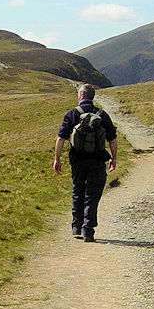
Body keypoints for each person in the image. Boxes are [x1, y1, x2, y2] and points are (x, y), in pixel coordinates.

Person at [53, 83, 117, 242]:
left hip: (77, 160)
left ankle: (76, 227)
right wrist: (113, 158)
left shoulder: (72, 114)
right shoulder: (102, 115)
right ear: (92, 97)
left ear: (81, 96)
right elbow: (112, 139)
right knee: (92, 194)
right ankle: (88, 230)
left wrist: (57, 159)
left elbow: (61, 138)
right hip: (97, 160)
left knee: (78, 191)